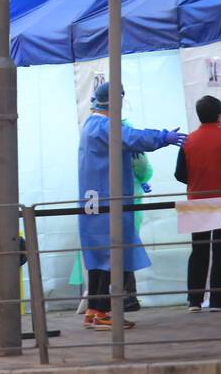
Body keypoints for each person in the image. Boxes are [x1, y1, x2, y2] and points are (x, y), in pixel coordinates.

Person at [78, 82, 186, 329]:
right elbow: (132, 138)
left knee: (98, 257)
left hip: (94, 202)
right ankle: (104, 313)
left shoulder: (90, 124)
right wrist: (163, 137)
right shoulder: (105, 126)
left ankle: (94, 310)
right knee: (110, 255)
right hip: (109, 201)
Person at [174, 95, 221, 312]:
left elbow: (180, 174)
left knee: (198, 250)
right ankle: (218, 301)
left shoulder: (188, 141)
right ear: (220, 115)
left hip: (197, 200)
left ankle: (194, 301)